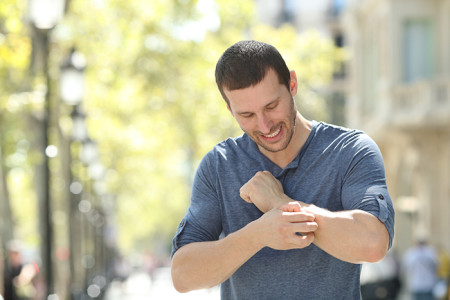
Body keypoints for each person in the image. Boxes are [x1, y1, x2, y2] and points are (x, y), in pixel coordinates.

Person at [171, 40, 395, 299]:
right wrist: (259, 234)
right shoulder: (219, 165)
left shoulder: (350, 150)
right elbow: (183, 275)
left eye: (271, 106)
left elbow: (373, 244)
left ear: (292, 85)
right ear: (229, 110)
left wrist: (281, 204)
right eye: (247, 115)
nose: (265, 126)